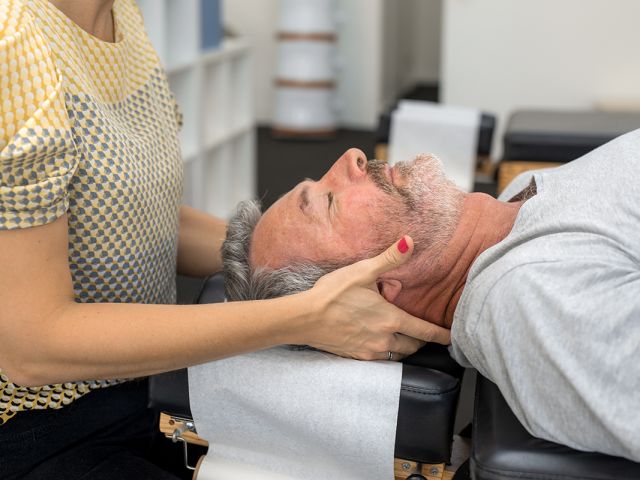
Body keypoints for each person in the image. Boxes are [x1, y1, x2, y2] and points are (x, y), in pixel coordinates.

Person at [0, 1, 451, 478]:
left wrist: (300, 265)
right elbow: (32, 347)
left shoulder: (121, 15)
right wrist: (303, 316)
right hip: (36, 430)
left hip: (144, 388)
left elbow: (130, 219)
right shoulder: (13, 36)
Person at [222, 132, 640, 462]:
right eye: (330, 202)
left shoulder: (512, 201)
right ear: (372, 292)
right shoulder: (530, 300)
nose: (351, 156)